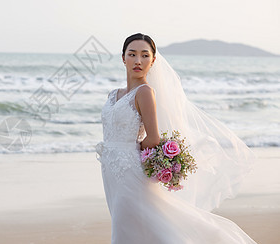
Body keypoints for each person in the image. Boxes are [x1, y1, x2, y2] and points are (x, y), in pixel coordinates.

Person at [95, 33, 257, 243]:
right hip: (110, 170)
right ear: (123, 57)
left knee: (129, 227)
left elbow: (153, 137)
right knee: (133, 224)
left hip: (128, 169)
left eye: (145, 55)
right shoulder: (113, 94)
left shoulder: (144, 92)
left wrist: (127, 150)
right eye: (132, 54)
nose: (138, 61)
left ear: (153, 60)